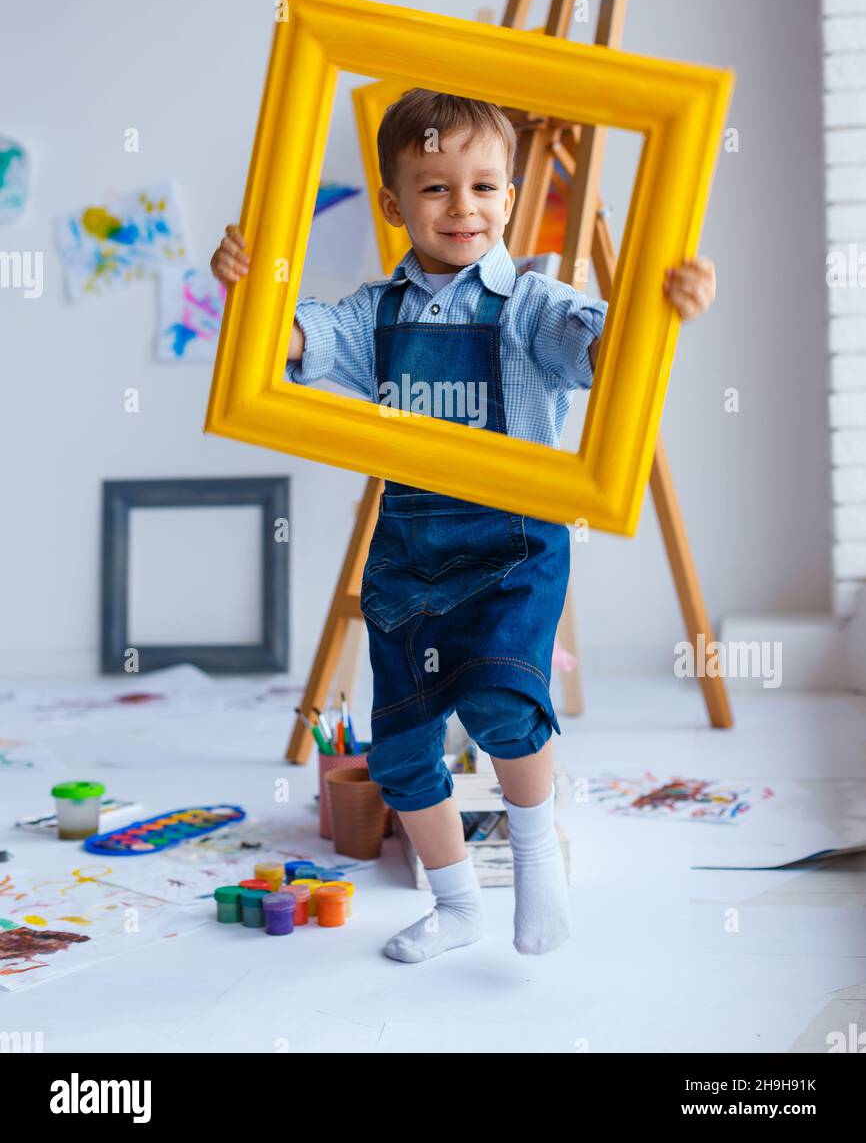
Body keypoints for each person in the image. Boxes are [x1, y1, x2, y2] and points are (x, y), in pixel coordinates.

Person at [211, 88, 716, 963]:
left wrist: (659, 313)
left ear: (510, 200)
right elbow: (301, 341)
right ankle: (456, 907)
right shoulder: (376, 312)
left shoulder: (530, 302)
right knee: (400, 752)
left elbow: (600, 352)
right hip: (408, 550)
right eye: (436, 188)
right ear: (394, 203)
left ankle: (534, 862)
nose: (463, 207)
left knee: (500, 702)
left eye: (484, 187)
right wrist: (250, 297)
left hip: (512, 545)